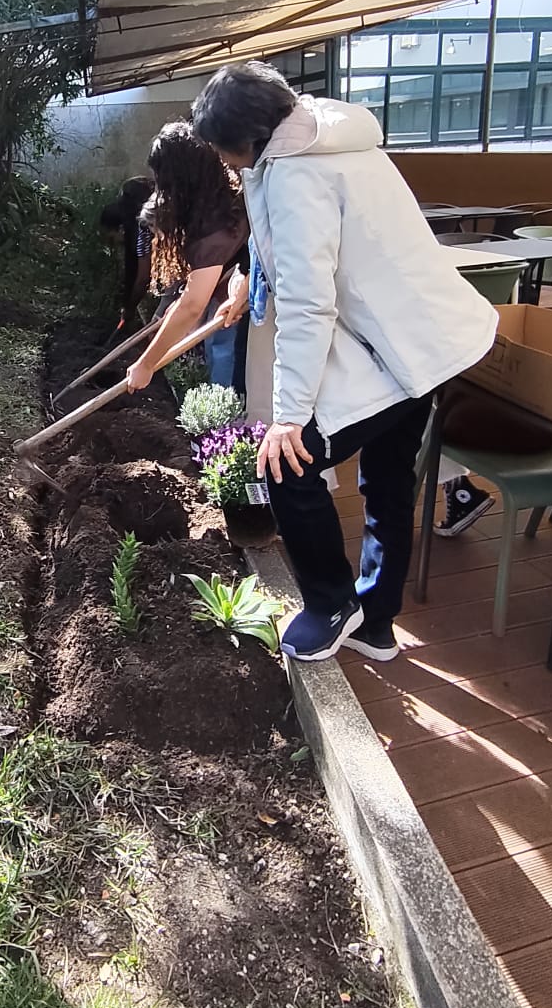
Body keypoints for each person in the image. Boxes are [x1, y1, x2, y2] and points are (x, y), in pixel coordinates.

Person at [193, 62, 495, 664]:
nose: (224, 162)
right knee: (387, 481)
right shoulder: (333, 137)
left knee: (285, 462)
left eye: (222, 149)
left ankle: (330, 602)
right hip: (421, 342)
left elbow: (309, 300)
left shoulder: (295, 174)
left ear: (249, 139)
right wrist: (250, 279)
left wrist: (287, 415)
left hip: (395, 349)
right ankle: (376, 624)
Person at [124, 122, 248, 396]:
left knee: (224, 350)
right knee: (220, 347)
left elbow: (193, 306)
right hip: (237, 288)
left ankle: (223, 424)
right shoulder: (223, 197)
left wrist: (146, 364)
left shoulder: (213, 225)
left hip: (261, 299)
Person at [98, 175, 154, 327]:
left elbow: (142, 278)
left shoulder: (143, 229)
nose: (115, 243)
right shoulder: (136, 221)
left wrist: (130, 307)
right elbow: (133, 270)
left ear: (120, 229)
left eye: (111, 237)